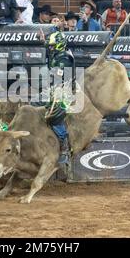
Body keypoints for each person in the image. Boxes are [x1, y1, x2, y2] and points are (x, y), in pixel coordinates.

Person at [44, 32, 74, 165]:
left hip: (64, 91)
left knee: (55, 117)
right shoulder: (58, 55)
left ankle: (64, 145)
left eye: (52, 46)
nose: (50, 48)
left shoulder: (65, 58)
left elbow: (61, 77)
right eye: (50, 46)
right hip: (55, 89)